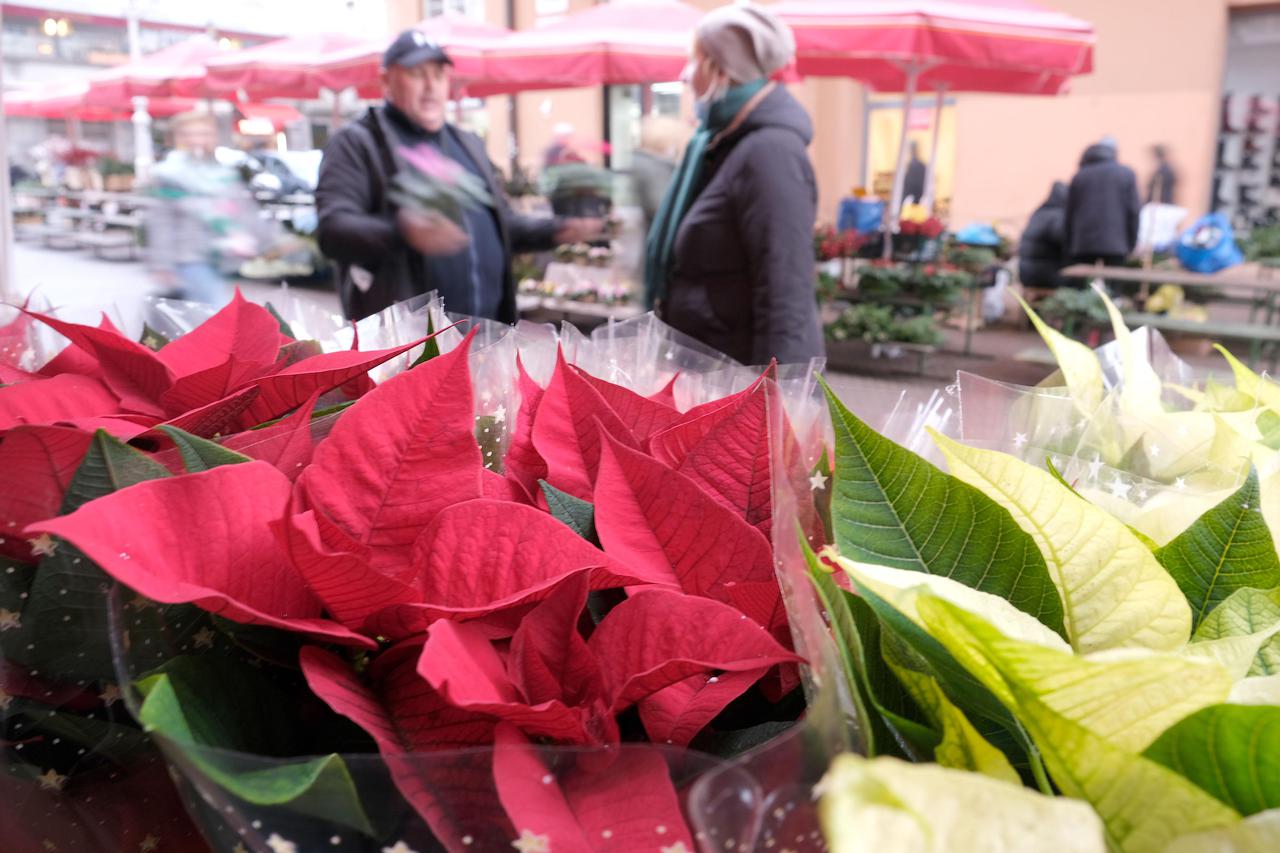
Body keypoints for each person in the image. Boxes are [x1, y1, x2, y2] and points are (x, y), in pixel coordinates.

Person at [315, 30, 600, 321]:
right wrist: (402, 231)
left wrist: (556, 231)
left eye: (438, 75)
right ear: (387, 81)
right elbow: (333, 230)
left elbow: (502, 225)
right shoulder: (358, 144)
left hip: (487, 335)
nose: (431, 86)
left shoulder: (468, 144)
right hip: (409, 344)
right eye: (417, 74)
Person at [644, 3, 822, 366]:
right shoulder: (720, 144)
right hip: (711, 369)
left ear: (723, 69)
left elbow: (785, 287)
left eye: (694, 61)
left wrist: (778, 397)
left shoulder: (769, 152)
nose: (684, 75)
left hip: (736, 377)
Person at [147, 111, 275, 305]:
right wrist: (162, 264)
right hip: (190, 257)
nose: (197, 140)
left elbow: (245, 210)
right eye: (190, 134)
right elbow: (161, 223)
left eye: (205, 133)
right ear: (177, 139)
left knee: (212, 315)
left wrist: (273, 241)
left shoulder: (223, 172)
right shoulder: (168, 174)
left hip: (227, 257)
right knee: (217, 312)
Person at [1063, 136, 1140, 267]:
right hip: (1116, 243)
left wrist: (1069, 244)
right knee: (1113, 284)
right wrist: (1131, 243)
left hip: (1083, 243)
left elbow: (1069, 213)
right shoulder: (1126, 174)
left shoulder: (1080, 176)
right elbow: (1133, 211)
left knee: (1084, 285)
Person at [1018, 181, 1069, 290]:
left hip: (1026, 274)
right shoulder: (1057, 215)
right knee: (1081, 282)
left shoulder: (1039, 213)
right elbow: (1062, 239)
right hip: (1043, 276)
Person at [902, 141, 926, 205]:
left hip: (913, 199)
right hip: (911, 198)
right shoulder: (908, 165)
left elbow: (917, 184)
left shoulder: (917, 166)